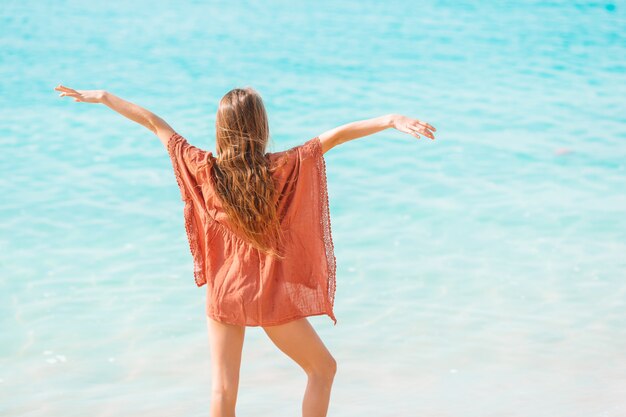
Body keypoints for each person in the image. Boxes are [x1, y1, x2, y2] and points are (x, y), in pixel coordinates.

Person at [54, 84, 436, 417]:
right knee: (323, 370)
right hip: (268, 296)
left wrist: (103, 97)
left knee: (222, 389)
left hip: (224, 295)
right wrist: (389, 119)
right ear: (261, 128)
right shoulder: (281, 168)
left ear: (221, 129)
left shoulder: (203, 168)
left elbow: (155, 124)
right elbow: (330, 139)